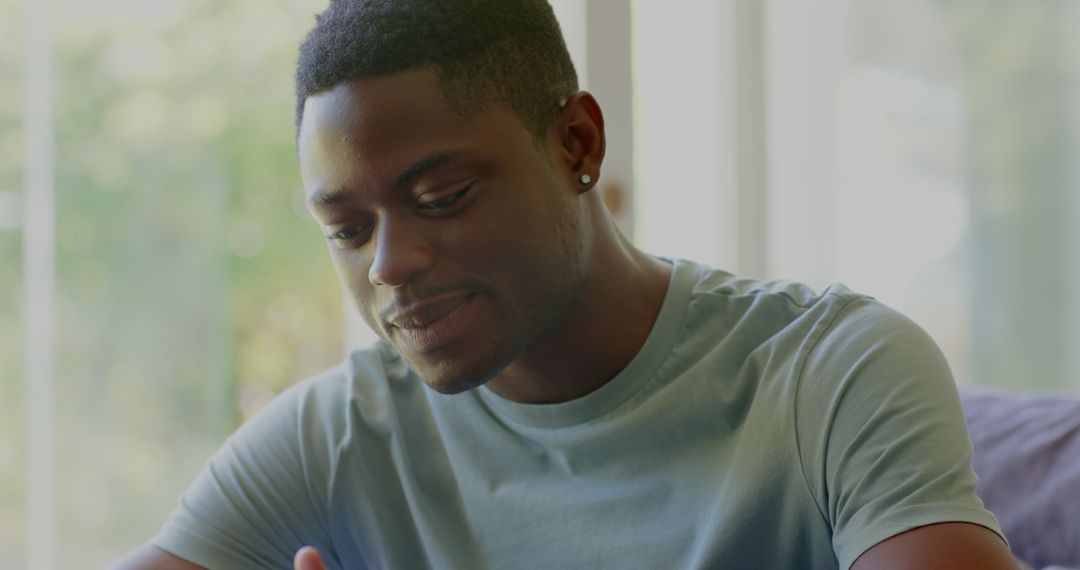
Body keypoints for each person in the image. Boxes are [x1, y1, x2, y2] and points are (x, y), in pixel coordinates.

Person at [115, 1, 1018, 568]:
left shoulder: (833, 375)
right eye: (346, 231)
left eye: (442, 197)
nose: (387, 266)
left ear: (576, 145)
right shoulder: (338, 438)